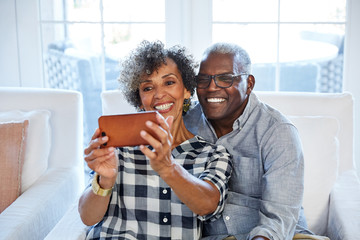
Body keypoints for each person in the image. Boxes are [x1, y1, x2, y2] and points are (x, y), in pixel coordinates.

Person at [78, 40, 233, 240]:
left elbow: (208, 206)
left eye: (169, 83)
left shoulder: (213, 155)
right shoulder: (118, 149)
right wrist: (105, 181)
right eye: (148, 88)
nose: (159, 95)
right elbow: (87, 217)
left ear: (186, 90)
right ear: (140, 99)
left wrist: (168, 167)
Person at [183, 42, 315, 240]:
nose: (211, 88)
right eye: (203, 79)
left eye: (225, 78)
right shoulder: (185, 122)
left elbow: (279, 217)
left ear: (249, 84)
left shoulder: (277, 131)